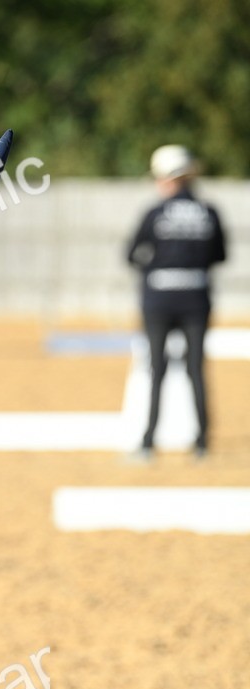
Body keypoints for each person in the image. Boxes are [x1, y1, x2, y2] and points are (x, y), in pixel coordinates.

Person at [127, 144, 226, 459]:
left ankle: (148, 441)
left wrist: (156, 269)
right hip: (196, 298)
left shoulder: (155, 213)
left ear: (167, 179)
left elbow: (132, 254)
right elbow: (219, 256)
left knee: (157, 368)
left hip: (158, 300)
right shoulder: (209, 213)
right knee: (196, 368)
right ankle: (202, 442)